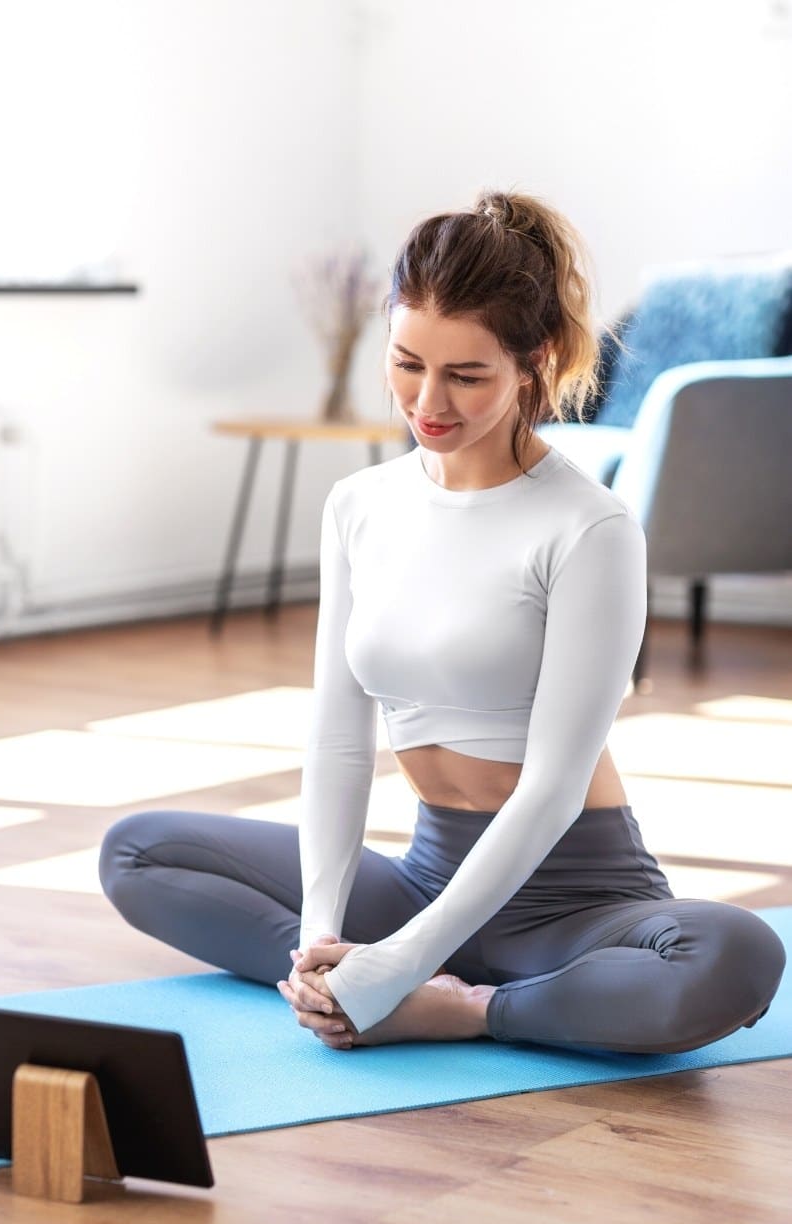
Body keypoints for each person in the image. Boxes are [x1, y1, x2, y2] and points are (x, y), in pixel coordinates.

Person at [98, 188, 786, 1057]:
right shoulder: (360, 505)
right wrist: (324, 940)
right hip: (427, 877)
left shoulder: (590, 528)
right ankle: (375, 987)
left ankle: (464, 1009)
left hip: (573, 899)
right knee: (138, 853)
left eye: (467, 375)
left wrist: (403, 972)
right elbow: (340, 739)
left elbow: (553, 787)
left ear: (532, 362)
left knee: (736, 955)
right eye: (407, 362)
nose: (429, 401)